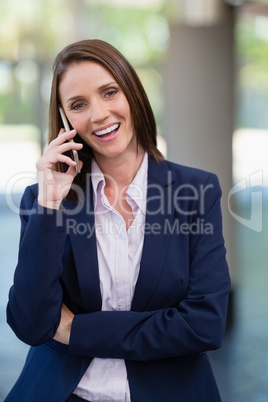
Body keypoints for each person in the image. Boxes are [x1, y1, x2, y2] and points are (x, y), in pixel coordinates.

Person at [5, 39, 230, 402]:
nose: (98, 114)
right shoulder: (44, 199)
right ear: (64, 121)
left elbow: (203, 326)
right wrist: (50, 205)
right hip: (64, 392)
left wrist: (74, 328)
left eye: (110, 92)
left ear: (133, 94)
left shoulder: (196, 191)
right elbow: (31, 324)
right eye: (78, 105)